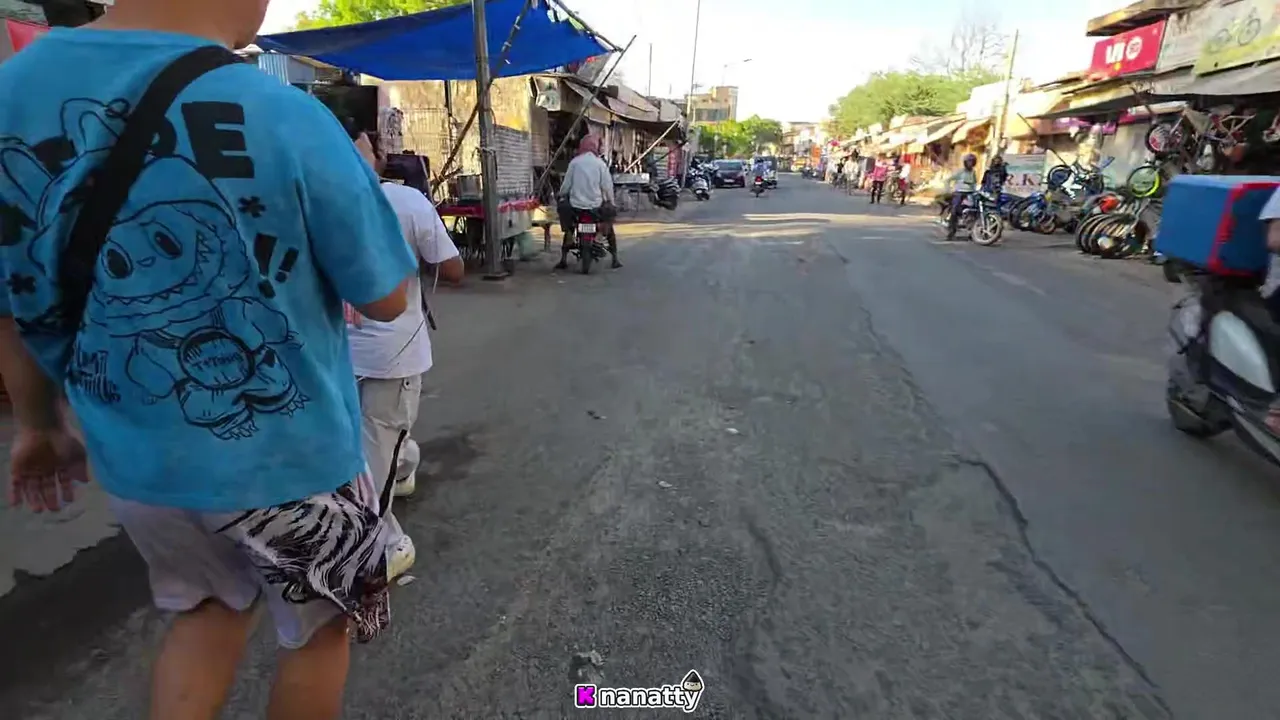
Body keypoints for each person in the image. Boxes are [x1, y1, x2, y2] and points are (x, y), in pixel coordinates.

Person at [0, 2, 419, 719]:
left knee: (205, 613)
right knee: (320, 629)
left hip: (140, 467)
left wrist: (38, 425)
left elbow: (12, 301)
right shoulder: (283, 112)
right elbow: (386, 298)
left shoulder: (13, 91)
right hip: (293, 463)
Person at [345, 129, 464, 583]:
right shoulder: (408, 202)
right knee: (376, 450)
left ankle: (395, 501)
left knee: (377, 443)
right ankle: (389, 543)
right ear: (379, 158)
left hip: (349, 353)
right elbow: (453, 269)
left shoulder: (314, 200)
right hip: (386, 353)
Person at [557, 134, 620, 270]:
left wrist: (561, 194)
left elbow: (566, 185)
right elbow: (607, 186)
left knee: (568, 226)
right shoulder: (600, 164)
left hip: (576, 207)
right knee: (609, 226)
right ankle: (615, 258)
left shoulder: (574, 163)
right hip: (595, 207)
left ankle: (563, 259)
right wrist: (611, 202)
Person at [945, 153, 981, 240]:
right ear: (965, 162)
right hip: (959, 193)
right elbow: (948, 180)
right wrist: (948, 190)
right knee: (954, 212)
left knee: (974, 212)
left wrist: (976, 191)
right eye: (968, 162)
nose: (970, 163)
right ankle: (951, 233)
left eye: (972, 162)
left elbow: (974, 183)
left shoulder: (973, 172)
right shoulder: (960, 172)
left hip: (970, 193)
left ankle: (972, 233)